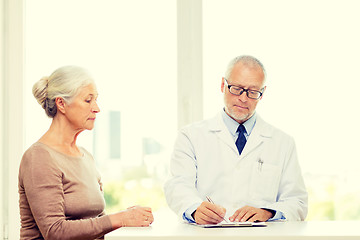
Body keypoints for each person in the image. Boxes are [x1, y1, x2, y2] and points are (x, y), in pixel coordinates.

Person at [164, 55, 308, 224]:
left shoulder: (283, 142)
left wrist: (268, 213)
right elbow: (177, 186)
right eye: (237, 88)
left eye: (253, 92)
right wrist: (195, 209)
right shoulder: (190, 136)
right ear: (222, 85)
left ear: (262, 94)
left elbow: (297, 202)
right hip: (207, 235)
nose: (243, 98)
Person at [18, 66, 154, 240]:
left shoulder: (86, 156)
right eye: (88, 100)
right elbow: (55, 232)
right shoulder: (39, 157)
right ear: (61, 104)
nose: (97, 108)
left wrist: (129, 217)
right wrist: (120, 218)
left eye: (96, 100)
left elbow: (95, 224)